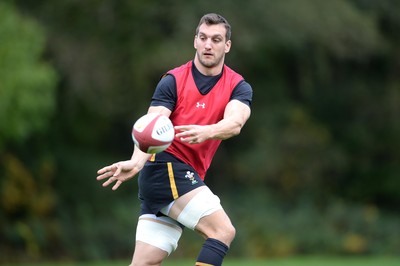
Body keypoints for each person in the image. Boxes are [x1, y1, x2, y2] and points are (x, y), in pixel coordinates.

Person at [96, 13, 252, 266]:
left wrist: (208, 131)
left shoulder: (237, 86)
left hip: (177, 176)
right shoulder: (173, 80)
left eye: (216, 39)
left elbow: (235, 123)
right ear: (195, 41)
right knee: (222, 231)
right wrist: (136, 163)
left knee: (145, 262)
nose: (208, 45)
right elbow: (151, 127)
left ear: (227, 45)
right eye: (203, 38)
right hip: (166, 168)